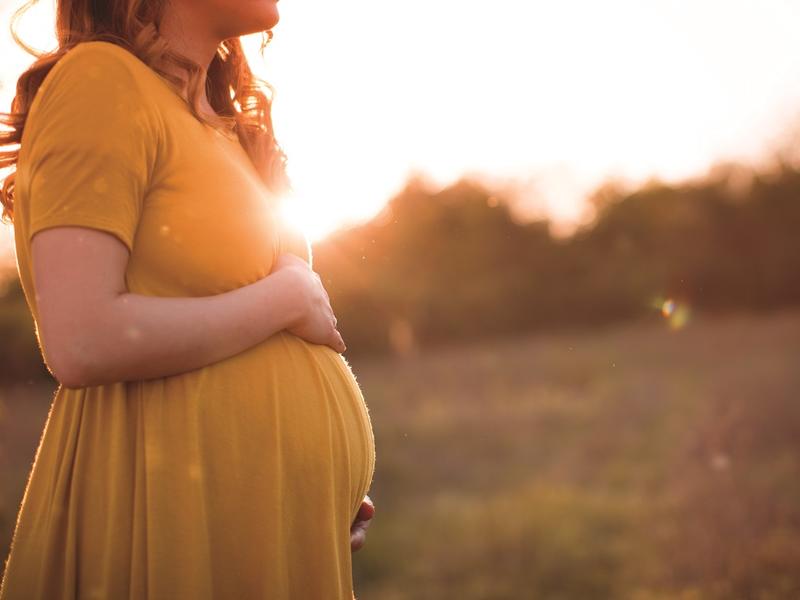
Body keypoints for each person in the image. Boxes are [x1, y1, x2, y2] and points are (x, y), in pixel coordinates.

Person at [0, 0, 376, 598]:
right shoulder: (100, 79)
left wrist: (305, 485)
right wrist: (286, 296)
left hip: (255, 521)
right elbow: (82, 339)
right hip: (167, 523)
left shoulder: (219, 124)